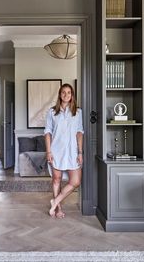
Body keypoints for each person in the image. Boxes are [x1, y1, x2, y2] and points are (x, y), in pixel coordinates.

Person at [44, 83, 84, 218]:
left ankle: (55, 201)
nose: (66, 95)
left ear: (72, 95)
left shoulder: (78, 112)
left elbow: (79, 133)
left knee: (76, 181)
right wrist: (48, 151)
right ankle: (58, 209)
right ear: (60, 95)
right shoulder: (51, 112)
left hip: (72, 151)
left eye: (69, 92)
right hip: (56, 151)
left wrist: (80, 152)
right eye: (63, 92)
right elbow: (47, 133)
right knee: (57, 180)